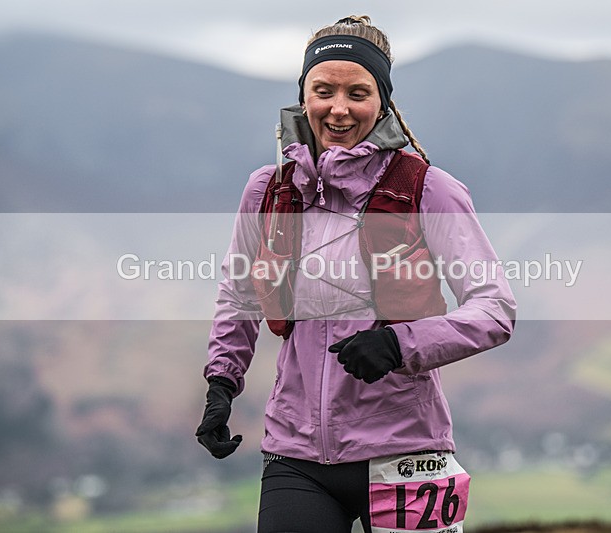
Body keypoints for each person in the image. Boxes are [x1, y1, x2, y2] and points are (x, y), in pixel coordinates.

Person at [196, 15, 516, 533]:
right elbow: (239, 297)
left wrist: (401, 344)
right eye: (323, 90)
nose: (338, 108)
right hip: (295, 452)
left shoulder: (428, 189)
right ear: (304, 97)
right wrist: (221, 383)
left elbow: (494, 308)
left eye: (358, 92)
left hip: (407, 451)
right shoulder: (269, 190)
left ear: (382, 102)